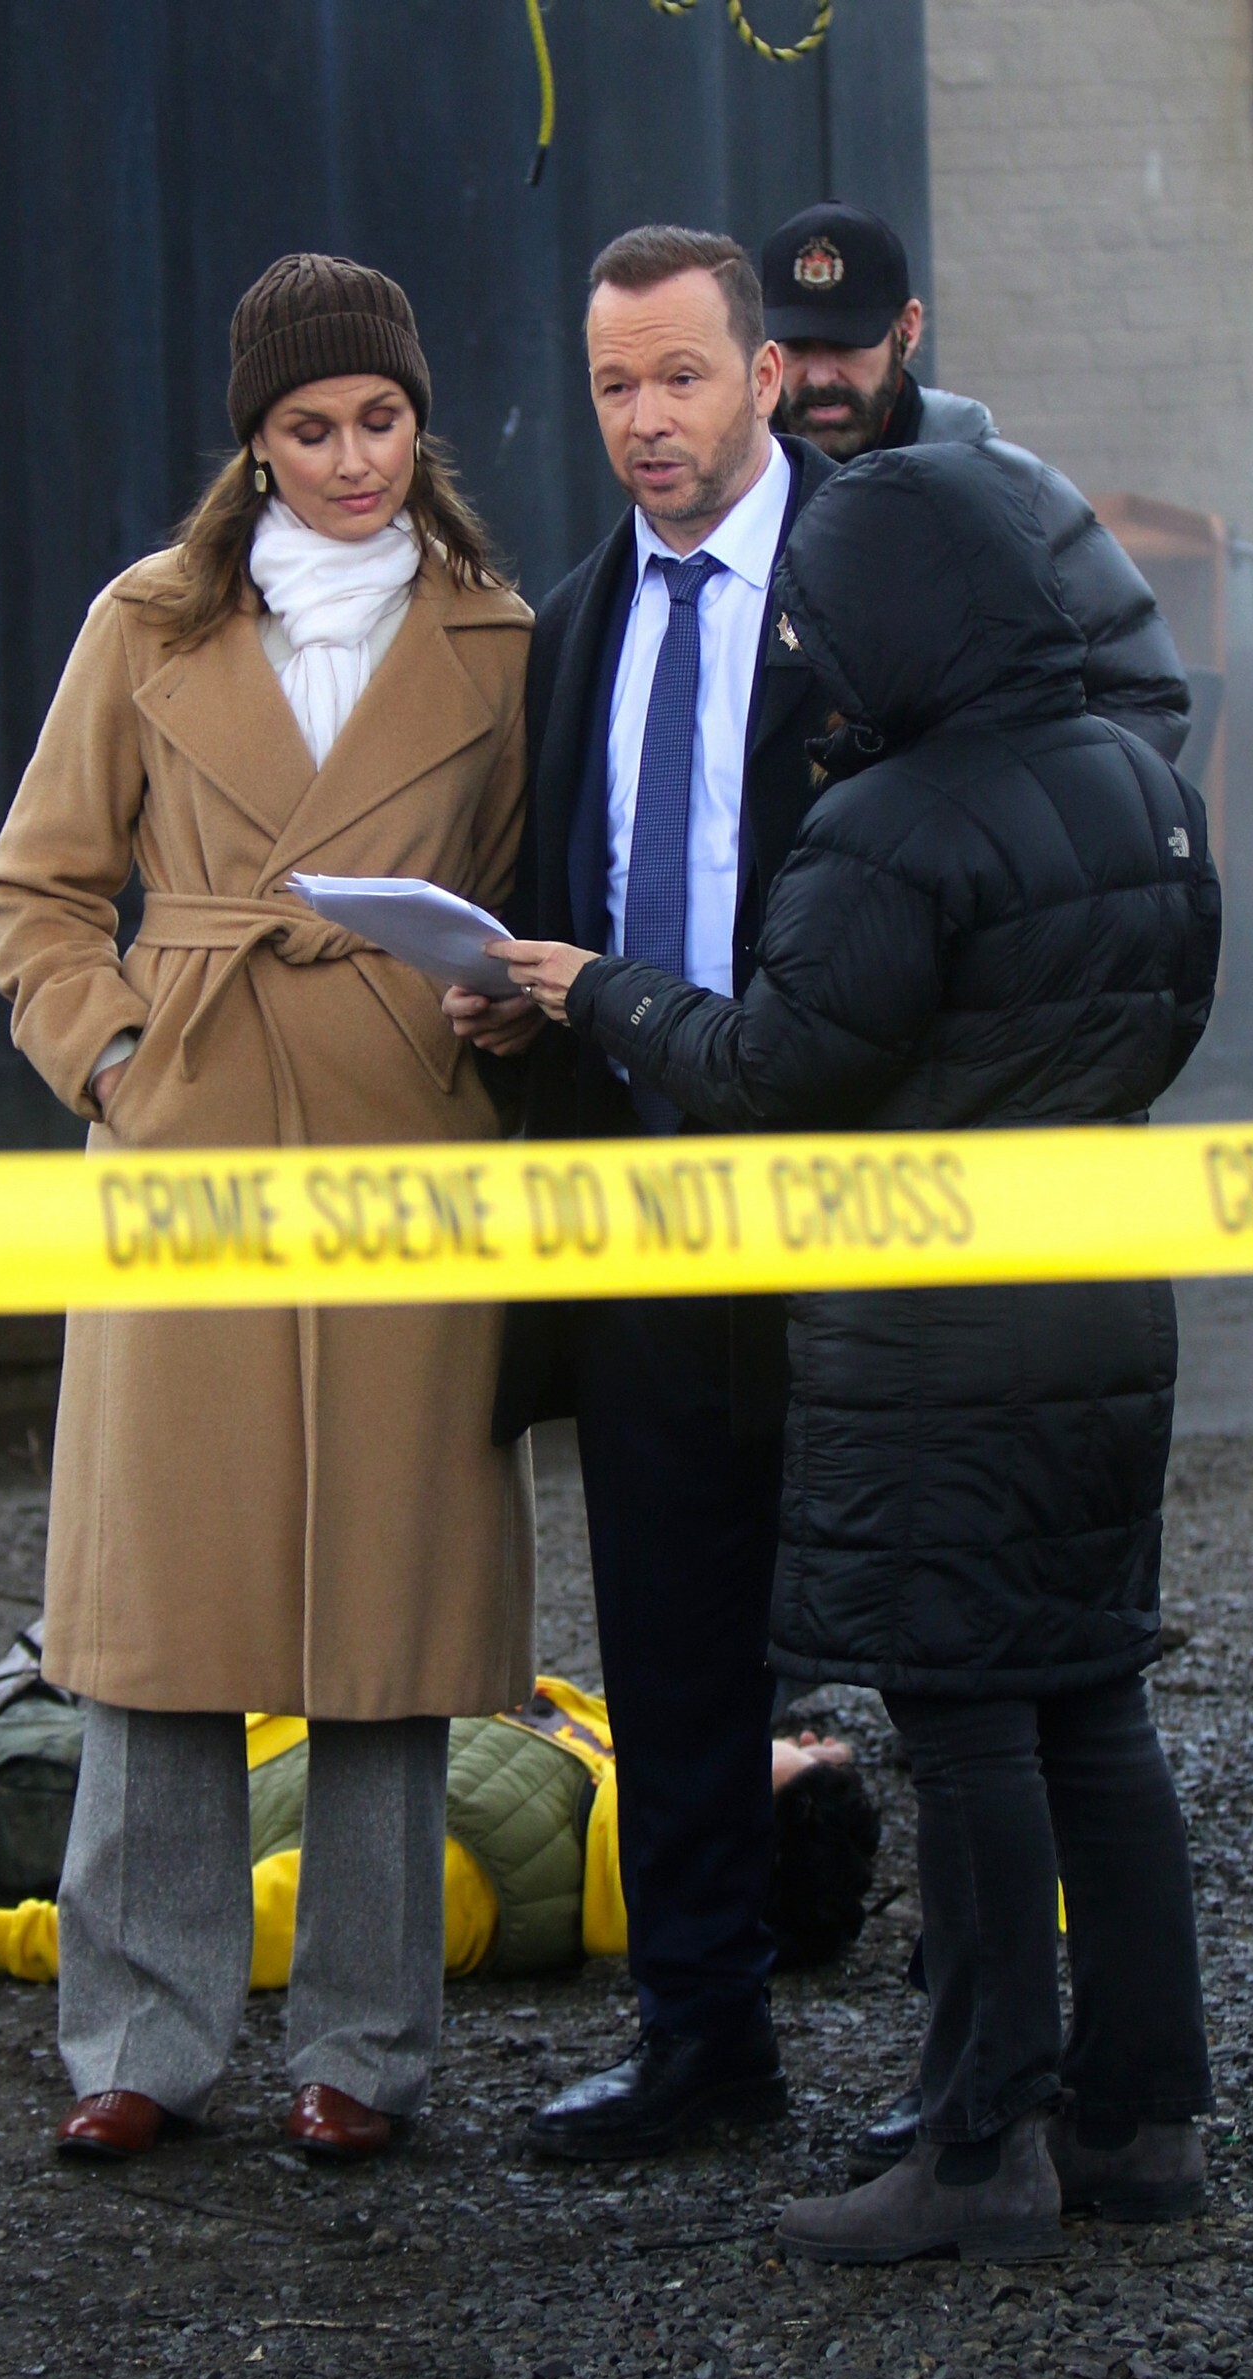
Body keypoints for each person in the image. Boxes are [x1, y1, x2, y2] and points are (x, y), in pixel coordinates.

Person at [490, 441, 1220, 2264]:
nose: (807, 646)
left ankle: (980, 2144)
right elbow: (1168, 1021)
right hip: (1103, 1301)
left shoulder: (888, 826)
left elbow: (771, 1068)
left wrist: (594, 988)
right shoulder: (1142, 785)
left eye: (824, 616)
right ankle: (1141, 2124)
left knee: (965, 1726)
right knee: (1094, 1706)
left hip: (935, 1333)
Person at [0, 254, 535, 2164]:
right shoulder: (146, 622)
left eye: (381, 418)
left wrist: (502, 1011)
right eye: (312, 426)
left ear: (418, 422)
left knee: (387, 1613)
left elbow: (534, 897)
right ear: (257, 441)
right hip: (192, 1129)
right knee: (165, 1612)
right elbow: (39, 889)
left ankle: (365, 2052)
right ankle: (140, 2039)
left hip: (407, 1139)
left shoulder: (496, 636)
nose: (354, 456)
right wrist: (122, 1061)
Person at [443, 226, 844, 2163]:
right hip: (633, 1205)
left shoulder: (873, 577)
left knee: (927, 1630)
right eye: (614, 385)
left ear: (762, 376)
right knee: (672, 1641)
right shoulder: (578, 620)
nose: (645, 418)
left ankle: (992, 2064)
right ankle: (704, 2041)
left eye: (681, 376)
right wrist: (506, 1001)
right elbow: (574, 893)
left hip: (846, 1201)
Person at [0, 1684, 875, 1989]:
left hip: (128, 1793)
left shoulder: (477, 1880)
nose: (787, 1734)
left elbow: (219, 1929)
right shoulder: (614, 1783)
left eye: (781, 1756)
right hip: (222, 1712)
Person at [763, 202, 1191, 761]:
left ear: (907, 330)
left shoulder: (1015, 496)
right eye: (798, 347)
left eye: (846, 345)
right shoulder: (734, 504)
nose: (820, 376)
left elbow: (1146, 693)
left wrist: (1023, 808)